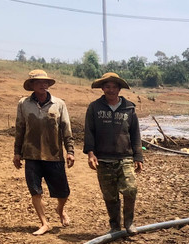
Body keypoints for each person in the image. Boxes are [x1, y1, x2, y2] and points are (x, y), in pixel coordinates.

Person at [13, 69, 75, 235]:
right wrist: (17, 152)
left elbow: (66, 129)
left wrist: (70, 151)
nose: (43, 85)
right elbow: (20, 128)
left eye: (45, 82)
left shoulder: (59, 104)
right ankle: (45, 223)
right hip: (31, 154)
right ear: (32, 85)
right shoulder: (24, 104)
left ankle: (60, 209)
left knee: (63, 192)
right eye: (39, 82)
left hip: (54, 154)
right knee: (35, 191)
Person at [83, 72, 143, 234]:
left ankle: (129, 222)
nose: (111, 90)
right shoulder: (95, 107)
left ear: (119, 89)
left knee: (130, 189)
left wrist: (138, 157)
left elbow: (135, 134)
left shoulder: (129, 108)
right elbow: (89, 132)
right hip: (103, 158)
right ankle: (115, 226)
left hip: (125, 157)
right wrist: (90, 154)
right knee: (110, 195)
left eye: (114, 87)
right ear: (102, 88)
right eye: (107, 87)